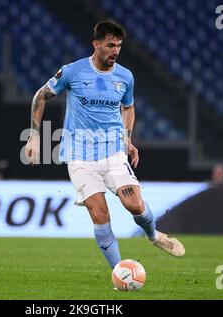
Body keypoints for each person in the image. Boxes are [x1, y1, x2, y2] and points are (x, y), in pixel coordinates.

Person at [25, 20, 185, 270]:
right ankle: (120, 271)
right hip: (80, 156)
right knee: (100, 214)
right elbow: (40, 96)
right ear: (96, 44)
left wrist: (128, 138)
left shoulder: (125, 77)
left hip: (113, 151)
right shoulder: (72, 72)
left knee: (134, 205)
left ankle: (154, 235)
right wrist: (35, 136)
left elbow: (128, 107)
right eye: (111, 45)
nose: (116, 51)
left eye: (119, 46)